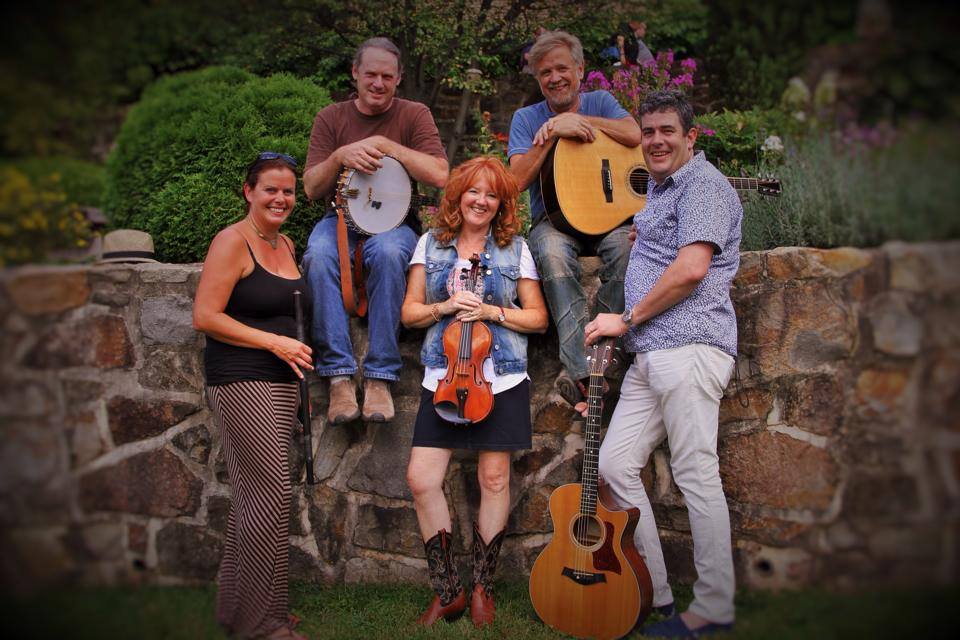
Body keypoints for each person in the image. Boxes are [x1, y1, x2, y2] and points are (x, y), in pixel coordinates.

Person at [583, 90, 743, 638]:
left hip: (690, 346)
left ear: (690, 137)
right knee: (614, 465)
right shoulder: (663, 188)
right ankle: (655, 592)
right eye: (648, 131)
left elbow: (693, 268)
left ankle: (715, 607)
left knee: (696, 472)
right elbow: (666, 250)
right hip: (653, 352)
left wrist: (624, 319)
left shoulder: (703, 185)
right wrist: (645, 234)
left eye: (667, 131)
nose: (655, 140)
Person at [400, 156, 548, 628]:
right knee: (422, 479)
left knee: (495, 479)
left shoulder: (515, 249)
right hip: (444, 376)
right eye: (474, 192)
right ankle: (448, 591)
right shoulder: (431, 244)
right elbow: (409, 312)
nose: (481, 201)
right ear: (458, 196)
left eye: (492, 195)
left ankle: (483, 587)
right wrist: (444, 306)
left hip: (499, 378)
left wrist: (491, 312)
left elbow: (537, 318)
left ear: (501, 204)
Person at [193, 152, 313, 640]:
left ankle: (238, 609)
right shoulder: (232, 241)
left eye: (288, 191)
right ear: (248, 191)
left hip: (282, 384)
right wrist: (275, 343)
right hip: (242, 380)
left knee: (255, 497)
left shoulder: (286, 243)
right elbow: (205, 316)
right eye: (270, 190)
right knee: (271, 494)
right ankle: (262, 624)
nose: (280, 198)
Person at [302, 37, 448, 425]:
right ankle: (338, 378)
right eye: (371, 74)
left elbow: (440, 174)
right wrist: (339, 156)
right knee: (318, 256)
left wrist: (386, 145)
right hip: (339, 220)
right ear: (355, 73)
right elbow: (311, 188)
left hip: (396, 224)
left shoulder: (414, 114)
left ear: (398, 78)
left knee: (389, 253)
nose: (378, 83)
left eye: (387, 76)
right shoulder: (331, 117)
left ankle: (380, 377)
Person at [507, 30, 642, 406]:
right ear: (538, 79)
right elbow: (515, 182)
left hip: (609, 221)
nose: (554, 78)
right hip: (554, 224)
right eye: (545, 72)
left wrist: (578, 119)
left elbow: (633, 133)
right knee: (550, 253)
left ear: (580, 70)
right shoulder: (526, 118)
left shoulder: (600, 101)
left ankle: (591, 357)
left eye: (562, 68)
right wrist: (552, 134)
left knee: (628, 248)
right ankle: (586, 368)